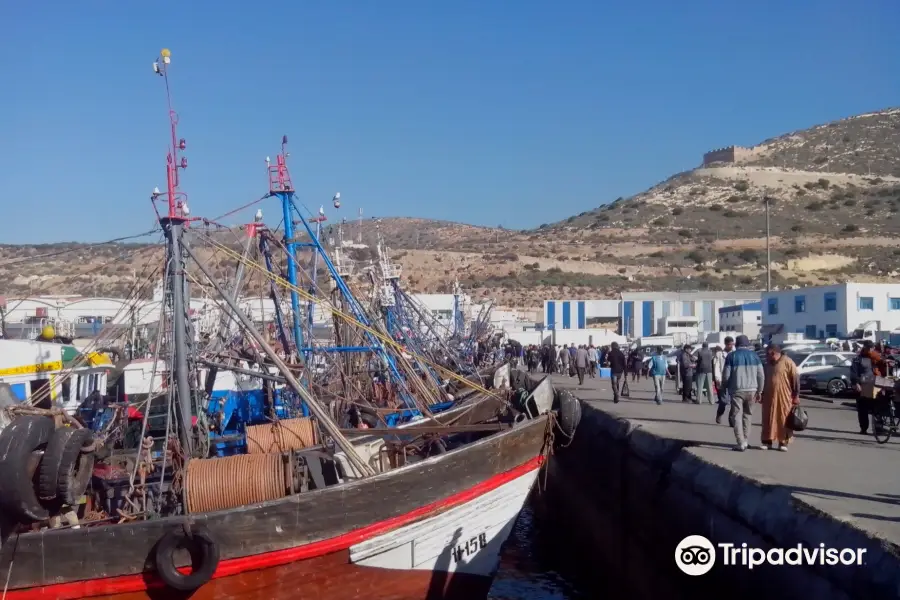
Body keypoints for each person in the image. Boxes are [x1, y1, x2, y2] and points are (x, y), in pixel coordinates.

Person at [722, 335, 765, 452]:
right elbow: (761, 375)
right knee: (748, 415)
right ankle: (745, 440)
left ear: (736, 344)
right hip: (752, 390)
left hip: (737, 390)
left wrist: (724, 387)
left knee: (737, 416)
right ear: (747, 344)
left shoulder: (731, 356)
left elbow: (726, 375)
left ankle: (740, 442)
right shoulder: (755, 356)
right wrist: (760, 391)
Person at [761, 344, 800, 451]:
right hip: (769, 396)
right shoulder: (767, 364)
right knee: (767, 419)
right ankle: (767, 441)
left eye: (768, 354)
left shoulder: (788, 362)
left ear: (773, 353)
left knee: (783, 419)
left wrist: (796, 395)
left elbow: (795, 379)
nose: (767, 357)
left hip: (784, 397)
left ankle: (783, 443)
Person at [850, 341, 879, 435]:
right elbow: (854, 372)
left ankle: (878, 427)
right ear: (865, 348)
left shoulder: (875, 357)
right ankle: (864, 428)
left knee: (877, 408)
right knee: (863, 409)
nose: (871, 350)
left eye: (872, 348)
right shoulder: (858, 359)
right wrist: (856, 383)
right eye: (869, 348)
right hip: (863, 386)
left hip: (875, 385)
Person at [714, 337, 735, 424]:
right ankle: (719, 413)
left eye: (732, 344)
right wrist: (718, 379)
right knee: (724, 401)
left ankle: (731, 420)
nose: (731, 346)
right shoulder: (719, 354)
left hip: (733, 380)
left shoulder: (735, 354)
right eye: (729, 344)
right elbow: (717, 367)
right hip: (723, 380)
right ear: (726, 344)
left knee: (734, 401)